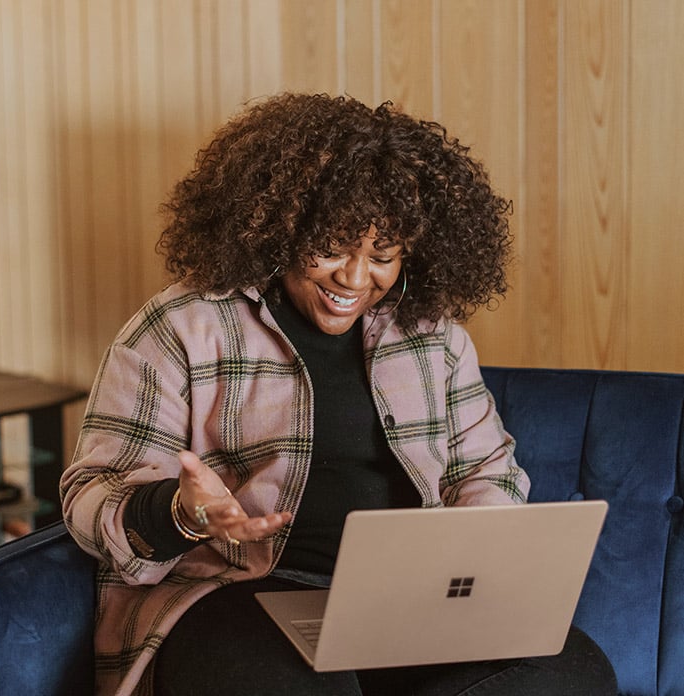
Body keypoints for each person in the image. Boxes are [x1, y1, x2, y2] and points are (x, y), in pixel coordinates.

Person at [61, 93, 616, 696]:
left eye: (382, 256)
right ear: (279, 228)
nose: (354, 279)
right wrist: (179, 511)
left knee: (570, 673)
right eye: (330, 247)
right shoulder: (183, 326)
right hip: (236, 595)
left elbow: (485, 471)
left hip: (406, 602)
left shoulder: (436, 337)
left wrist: (470, 559)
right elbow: (91, 495)